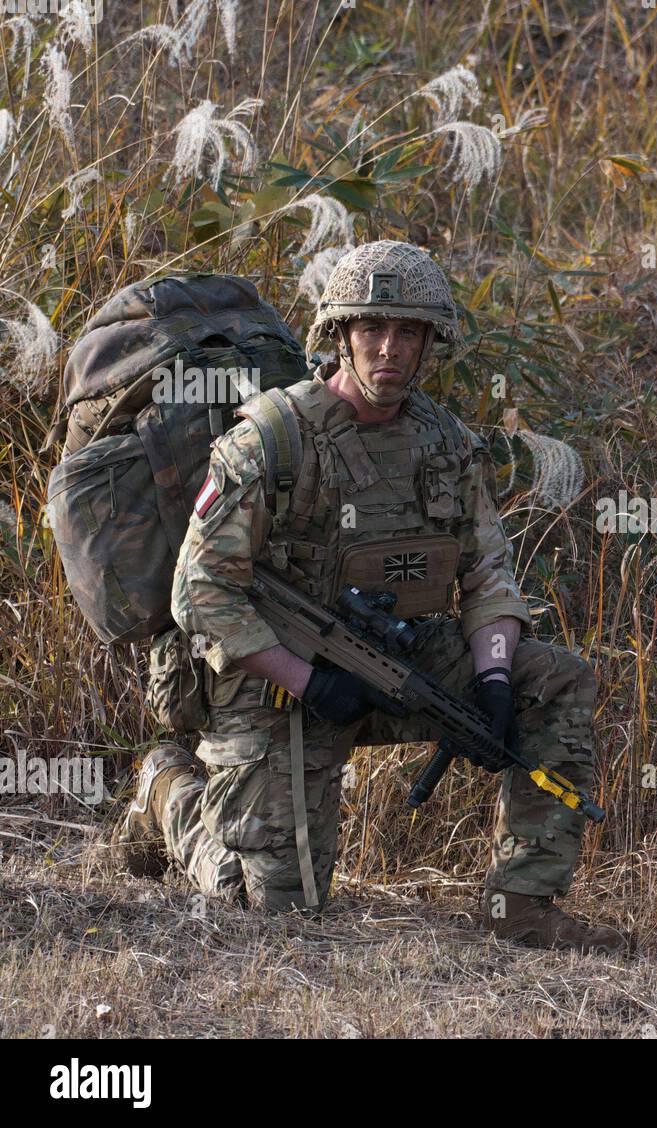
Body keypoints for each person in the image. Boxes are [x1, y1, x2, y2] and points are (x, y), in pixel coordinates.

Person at [112, 241, 624, 954]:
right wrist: (309, 681)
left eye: (407, 332)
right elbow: (200, 590)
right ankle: (170, 792)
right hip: (276, 679)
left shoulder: (446, 443)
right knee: (277, 911)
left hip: (403, 658)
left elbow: (489, 578)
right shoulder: (273, 439)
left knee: (555, 679)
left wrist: (498, 680)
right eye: (372, 330)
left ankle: (524, 909)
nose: (390, 349)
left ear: (430, 343)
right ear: (341, 336)